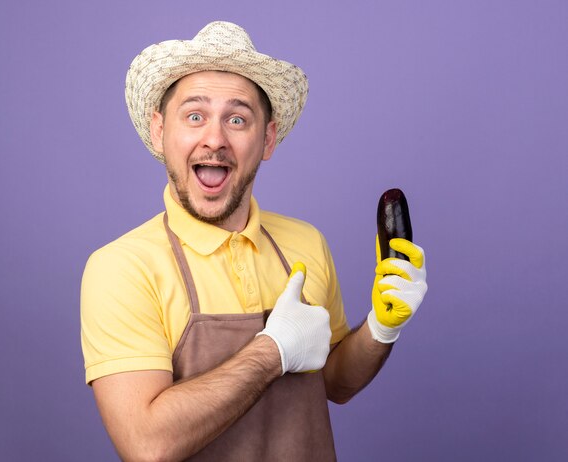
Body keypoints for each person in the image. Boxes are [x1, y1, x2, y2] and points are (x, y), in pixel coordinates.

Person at [80, 21, 428, 461]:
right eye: (194, 115)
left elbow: (335, 383)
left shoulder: (306, 244)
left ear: (267, 139)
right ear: (159, 131)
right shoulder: (122, 268)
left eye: (237, 119)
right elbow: (148, 444)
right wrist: (272, 351)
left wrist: (381, 328)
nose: (215, 138)